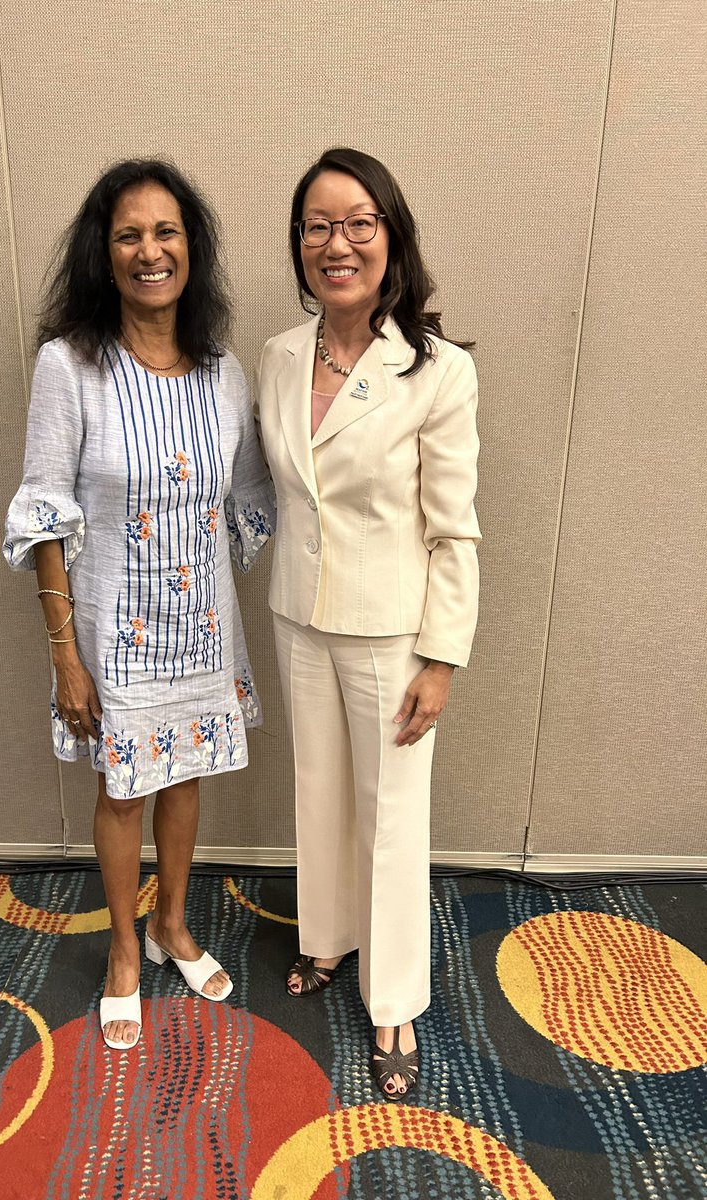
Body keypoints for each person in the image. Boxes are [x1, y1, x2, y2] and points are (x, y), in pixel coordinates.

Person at [3, 160, 274, 1051]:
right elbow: (45, 509)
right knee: (125, 789)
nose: (150, 250)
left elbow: (247, 495)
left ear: (190, 248)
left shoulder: (225, 372)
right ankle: (125, 945)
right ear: (104, 253)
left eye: (166, 232)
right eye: (130, 235)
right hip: (112, 635)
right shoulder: (68, 366)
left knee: (183, 778)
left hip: (201, 628)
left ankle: (173, 923)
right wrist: (62, 653)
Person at [256, 148, 480, 1098]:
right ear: (299, 245)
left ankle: (394, 1001)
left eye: (357, 222)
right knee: (319, 793)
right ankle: (326, 940)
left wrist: (442, 658)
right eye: (316, 225)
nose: (335, 243)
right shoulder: (274, 356)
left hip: (393, 630)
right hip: (298, 616)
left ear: (391, 236)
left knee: (392, 817)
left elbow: (454, 526)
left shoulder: (437, 371)